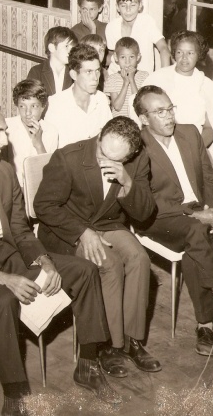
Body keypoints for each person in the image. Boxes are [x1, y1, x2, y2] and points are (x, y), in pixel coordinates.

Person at [0, 104, 121, 414]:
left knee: (85, 271)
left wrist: (44, 261)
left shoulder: (5, 172)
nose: (5, 140)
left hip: (7, 254)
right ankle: (15, 395)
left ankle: (87, 365)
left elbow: (20, 229)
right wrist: (1, 277)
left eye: (5, 132)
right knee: (3, 300)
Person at [35, 117, 160, 377]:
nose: (104, 161)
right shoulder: (68, 157)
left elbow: (145, 212)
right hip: (68, 230)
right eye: (103, 152)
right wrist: (82, 233)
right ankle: (109, 345)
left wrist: (127, 182)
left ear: (131, 154)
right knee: (109, 264)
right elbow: (44, 206)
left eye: (116, 160)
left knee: (139, 258)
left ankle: (132, 340)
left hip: (108, 223)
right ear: (100, 134)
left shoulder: (139, 160)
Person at [134, 85, 213, 355]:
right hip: (159, 218)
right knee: (195, 229)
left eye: (170, 108)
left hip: (198, 216)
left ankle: (205, 325)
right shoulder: (137, 147)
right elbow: (146, 201)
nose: (169, 116)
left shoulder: (189, 133)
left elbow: (210, 178)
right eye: (160, 112)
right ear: (143, 118)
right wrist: (198, 215)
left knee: (194, 243)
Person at [143, 30, 213, 163]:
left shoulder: (207, 86)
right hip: (160, 148)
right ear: (174, 53)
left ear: (199, 54)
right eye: (179, 52)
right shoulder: (157, 78)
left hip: (194, 150)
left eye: (190, 53)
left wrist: (192, 150)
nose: (184, 58)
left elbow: (211, 129)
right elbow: (142, 117)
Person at [45, 44, 112, 148]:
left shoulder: (101, 99)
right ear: (74, 75)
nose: (95, 78)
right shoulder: (56, 104)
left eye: (97, 71)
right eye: (88, 72)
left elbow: (109, 139)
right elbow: (50, 148)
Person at [5, 79, 59, 187]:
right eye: (22, 106)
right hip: (12, 186)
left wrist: (39, 144)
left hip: (39, 186)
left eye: (34, 106)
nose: (27, 112)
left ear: (43, 107)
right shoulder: (7, 127)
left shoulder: (51, 131)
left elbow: (50, 172)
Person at [105, 0, 170, 73]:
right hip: (116, 76)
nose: (128, 10)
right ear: (117, 7)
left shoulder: (147, 21)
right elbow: (112, 55)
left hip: (143, 77)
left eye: (133, 5)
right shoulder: (111, 26)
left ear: (140, 6)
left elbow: (163, 48)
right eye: (123, 5)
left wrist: (165, 75)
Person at [26, 26, 76, 99]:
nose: (70, 51)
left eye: (72, 48)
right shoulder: (36, 72)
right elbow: (30, 101)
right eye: (66, 46)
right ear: (51, 48)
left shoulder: (74, 72)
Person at [104, 37, 148, 118]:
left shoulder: (144, 76)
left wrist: (132, 80)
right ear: (116, 57)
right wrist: (125, 83)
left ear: (138, 57)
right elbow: (117, 107)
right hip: (119, 122)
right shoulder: (112, 79)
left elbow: (140, 106)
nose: (127, 62)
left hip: (138, 121)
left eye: (131, 57)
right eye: (123, 57)